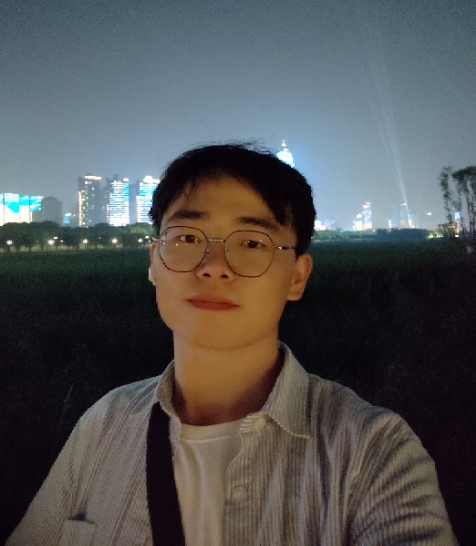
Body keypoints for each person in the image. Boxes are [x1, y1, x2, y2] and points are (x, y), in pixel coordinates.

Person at [7, 143, 457, 546]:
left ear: (297, 277)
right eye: (187, 238)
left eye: (252, 243)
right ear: (154, 262)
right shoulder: (103, 426)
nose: (214, 266)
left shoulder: (370, 451)